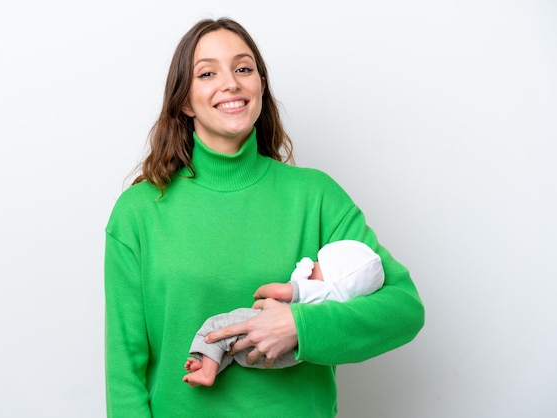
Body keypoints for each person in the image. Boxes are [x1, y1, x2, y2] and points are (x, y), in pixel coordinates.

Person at [104, 17, 424, 417]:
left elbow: (403, 309)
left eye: (243, 68)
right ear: (184, 100)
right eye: (207, 73)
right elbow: (125, 368)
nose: (231, 83)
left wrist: (298, 327)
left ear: (261, 84)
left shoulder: (315, 196)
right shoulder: (139, 211)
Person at [183, 239, 385, 387]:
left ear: (330, 275)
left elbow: (278, 291)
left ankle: (207, 373)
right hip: (288, 357)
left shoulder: (315, 288)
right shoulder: (335, 302)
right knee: (233, 349)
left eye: (318, 264)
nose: (313, 264)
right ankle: (206, 365)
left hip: (267, 326)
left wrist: (261, 292)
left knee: (218, 327)